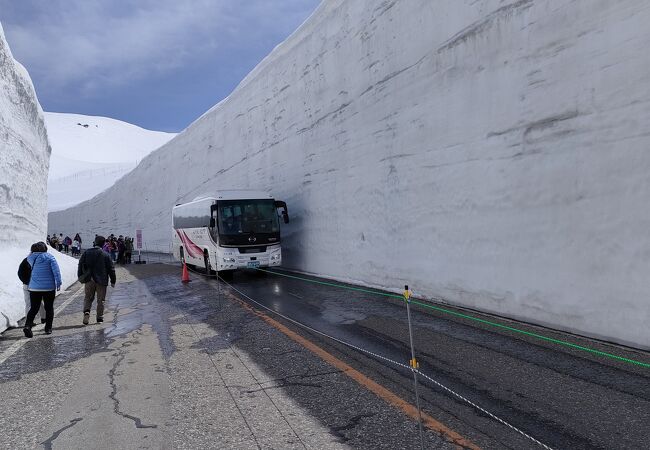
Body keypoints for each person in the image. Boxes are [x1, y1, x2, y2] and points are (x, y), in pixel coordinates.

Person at [23, 241, 62, 337]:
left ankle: (28, 326)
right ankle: (48, 328)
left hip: (34, 287)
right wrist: (58, 282)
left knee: (34, 308)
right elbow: (56, 271)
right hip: (48, 288)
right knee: (49, 307)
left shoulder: (30, 258)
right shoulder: (50, 257)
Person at [77, 235, 116, 325]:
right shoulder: (106, 255)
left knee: (88, 298)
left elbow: (80, 264)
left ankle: (87, 312)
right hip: (101, 281)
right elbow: (111, 269)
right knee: (101, 300)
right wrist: (113, 280)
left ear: (95, 242)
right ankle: (99, 318)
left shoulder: (86, 252)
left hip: (89, 279)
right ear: (103, 244)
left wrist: (80, 276)